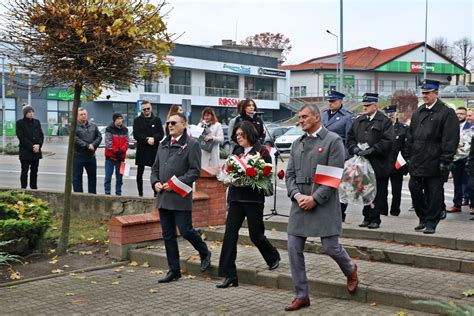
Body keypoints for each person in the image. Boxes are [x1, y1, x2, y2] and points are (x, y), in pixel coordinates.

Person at [284, 104, 358, 311]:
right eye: (299, 117)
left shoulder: (332, 141)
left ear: (317, 117)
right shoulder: (297, 144)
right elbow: (289, 175)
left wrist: (315, 198)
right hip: (300, 202)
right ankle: (301, 295)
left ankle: (350, 269)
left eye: (304, 116)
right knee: (293, 248)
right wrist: (297, 195)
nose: (301, 120)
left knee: (330, 247)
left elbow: (333, 176)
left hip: (323, 202)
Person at [217, 121, 280, 289]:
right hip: (236, 198)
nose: (238, 138)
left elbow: (267, 177)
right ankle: (229, 275)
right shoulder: (236, 151)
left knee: (255, 235)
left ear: (249, 134)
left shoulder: (262, 151)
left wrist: (252, 177)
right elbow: (229, 170)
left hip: (253, 200)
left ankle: (273, 256)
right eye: (236, 136)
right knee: (230, 235)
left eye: (241, 135)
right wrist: (227, 179)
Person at [150, 112, 211, 283]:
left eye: (174, 123)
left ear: (184, 125)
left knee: (186, 231)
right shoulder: (163, 144)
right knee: (168, 235)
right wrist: (155, 182)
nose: (170, 125)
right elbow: (155, 169)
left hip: (180, 196)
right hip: (163, 197)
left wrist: (175, 183)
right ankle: (174, 270)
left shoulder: (192, 145)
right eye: (169, 122)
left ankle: (204, 252)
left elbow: (195, 171)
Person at [406, 79, 459, 234]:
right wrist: (408, 156)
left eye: (428, 93)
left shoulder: (446, 112)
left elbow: (450, 138)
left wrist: (446, 160)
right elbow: (410, 136)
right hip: (417, 160)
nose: (425, 96)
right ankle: (422, 217)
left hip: (435, 160)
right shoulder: (419, 111)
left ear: (436, 93)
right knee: (414, 189)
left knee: (434, 193)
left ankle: (431, 222)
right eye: (423, 93)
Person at [346, 93, 394, 229]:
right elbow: (349, 138)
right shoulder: (359, 120)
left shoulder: (384, 121)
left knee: (378, 193)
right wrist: (354, 148)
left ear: (375, 106)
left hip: (378, 164)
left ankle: (375, 218)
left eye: (368, 105)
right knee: (364, 191)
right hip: (362, 164)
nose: (365, 107)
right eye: (364, 105)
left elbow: (388, 141)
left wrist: (373, 150)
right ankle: (366, 216)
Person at [321, 90, 354, 222]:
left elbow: (349, 138)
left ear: (340, 101)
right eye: (329, 101)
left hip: (340, 155)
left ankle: (340, 213)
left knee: (340, 187)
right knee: (325, 185)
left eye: (333, 101)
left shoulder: (347, 116)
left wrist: (347, 157)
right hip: (324, 154)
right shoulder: (324, 115)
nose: (330, 104)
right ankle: (326, 212)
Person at [133, 100, 164, 197]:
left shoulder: (157, 120)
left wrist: (154, 138)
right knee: (139, 173)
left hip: (153, 150)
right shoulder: (137, 120)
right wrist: (146, 139)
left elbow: (161, 134)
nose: (146, 111)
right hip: (142, 149)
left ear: (151, 108)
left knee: (155, 172)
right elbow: (136, 134)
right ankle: (140, 193)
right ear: (141, 110)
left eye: (148, 108)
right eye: (144, 109)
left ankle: (156, 193)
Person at [381, 105, 408, 216]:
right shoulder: (382, 127)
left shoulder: (403, 128)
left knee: (396, 190)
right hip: (384, 163)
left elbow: (407, 146)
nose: (390, 117)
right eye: (387, 115)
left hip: (397, 163)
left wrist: (406, 162)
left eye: (392, 115)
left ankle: (395, 211)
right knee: (382, 190)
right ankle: (383, 210)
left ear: (396, 115)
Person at [447, 107, 471, 213]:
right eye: (457, 113)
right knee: (457, 182)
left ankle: (469, 202)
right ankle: (457, 204)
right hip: (456, 157)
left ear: (466, 115)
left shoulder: (470, 127)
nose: (459, 115)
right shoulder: (452, 126)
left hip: (467, 157)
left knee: (468, 182)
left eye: (462, 114)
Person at [73, 108, 102, 194]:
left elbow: (99, 137)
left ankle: (92, 196)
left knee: (92, 177)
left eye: (84, 114)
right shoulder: (74, 126)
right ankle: (78, 196)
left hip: (91, 156)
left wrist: (93, 145)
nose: (83, 116)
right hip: (78, 155)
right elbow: (75, 139)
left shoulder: (93, 125)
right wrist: (87, 146)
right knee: (77, 178)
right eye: (81, 114)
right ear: (77, 116)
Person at [16, 105, 44, 189]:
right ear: (25, 113)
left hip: (36, 152)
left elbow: (41, 135)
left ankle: (34, 188)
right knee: (24, 171)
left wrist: (38, 145)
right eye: (29, 112)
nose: (31, 113)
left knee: (34, 172)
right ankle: (23, 189)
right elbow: (21, 137)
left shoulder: (37, 122)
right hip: (25, 152)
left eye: (32, 111)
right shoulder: (20, 123)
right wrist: (32, 146)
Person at [104, 113, 129, 196]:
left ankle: (118, 193)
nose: (119, 120)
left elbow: (127, 142)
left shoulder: (125, 130)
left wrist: (121, 151)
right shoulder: (109, 129)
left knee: (119, 178)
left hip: (121, 158)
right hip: (110, 157)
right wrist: (115, 151)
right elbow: (108, 143)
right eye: (117, 119)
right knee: (108, 177)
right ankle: (107, 193)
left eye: (120, 118)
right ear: (114, 120)